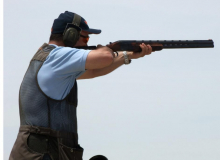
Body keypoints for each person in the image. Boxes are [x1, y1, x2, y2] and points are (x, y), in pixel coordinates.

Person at [9, 11, 154, 160]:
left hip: (43, 152)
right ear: (70, 35)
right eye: (85, 37)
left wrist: (127, 55)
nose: (87, 42)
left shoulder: (51, 59)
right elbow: (105, 57)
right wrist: (105, 49)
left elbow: (93, 71)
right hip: (43, 153)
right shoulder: (58, 55)